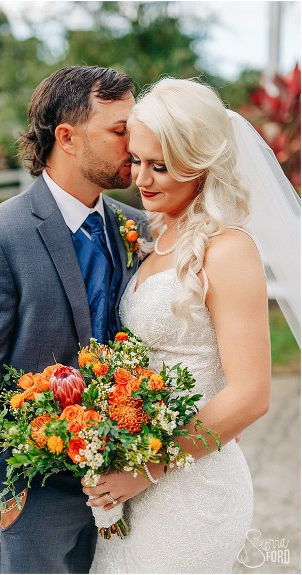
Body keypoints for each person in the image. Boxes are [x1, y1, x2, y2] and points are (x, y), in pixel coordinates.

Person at [0, 66, 147, 573]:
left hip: (129, 479)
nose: (135, 145)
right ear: (67, 137)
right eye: (120, 131)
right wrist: (5, 493)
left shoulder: (137, 229)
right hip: (34, 494)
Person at [85, 78, 280, 573]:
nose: (142, 179)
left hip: (193, 485)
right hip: (135, 474)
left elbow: (251, 395)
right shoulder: (156, 238)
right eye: (138, 161)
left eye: (162, 166)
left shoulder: (228, 249)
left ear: (200, 164)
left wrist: (146, 469)